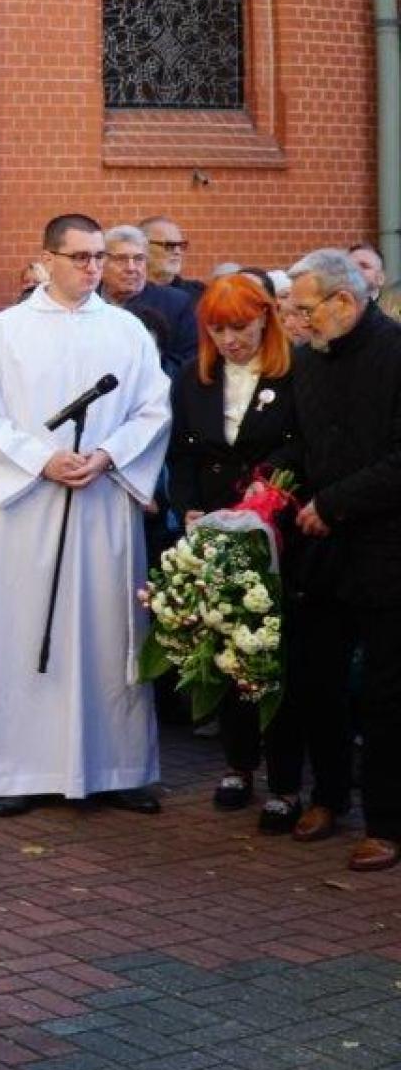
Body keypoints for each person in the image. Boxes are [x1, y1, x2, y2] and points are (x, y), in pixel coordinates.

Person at [0, 214, 173, 818]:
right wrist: (41, 459)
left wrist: (108, 456)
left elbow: (154, 411)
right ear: (46, 259)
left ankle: (116, 767)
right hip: (28, 506)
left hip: (103, 503)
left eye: (99, 257)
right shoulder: (3, 332)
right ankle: (16, 769)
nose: (93, 268)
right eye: (79, 257)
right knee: (22, 628)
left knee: (107, 628)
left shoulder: (128, 331)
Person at [283, 249, 401, 872]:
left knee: (385, 694)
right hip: (322, 548)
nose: (298, 322)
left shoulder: (397, 354)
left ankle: (386, 821)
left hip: (386, 550)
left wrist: (333, 502)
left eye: (306, 310)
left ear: (345, 303)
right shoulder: (310, 361)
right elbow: (304, 442)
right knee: (316, 680)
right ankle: (328, 795)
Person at [164, 275, 297, 815]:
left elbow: (304, 444)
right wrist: (189, 504)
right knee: (227, 643)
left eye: (239, 328)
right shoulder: (193, 380)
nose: (230, 341)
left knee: (276, 647)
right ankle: (238, 764)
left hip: (276, 526)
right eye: (217, 330)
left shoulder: (294, 374)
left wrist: (274, 492)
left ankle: (286, 778)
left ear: (264, 318)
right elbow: (179, 454)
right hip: (216, 524)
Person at [100, 224, 197, 374]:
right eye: (121, 259)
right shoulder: (87, 300)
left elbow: (189, 364)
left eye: (139, 259)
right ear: (102, 263)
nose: (131, 268)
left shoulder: (176, 304)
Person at [140, 216, 201, 303]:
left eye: (180, 245)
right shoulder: (127, 294)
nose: (177, 252)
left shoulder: (199, 295)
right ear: (143, 247)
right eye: (169, 245)